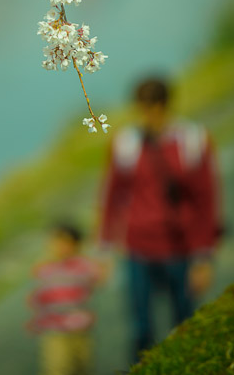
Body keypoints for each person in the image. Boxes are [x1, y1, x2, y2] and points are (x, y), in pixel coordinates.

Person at [98, 77, 221, 361]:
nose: (149, 117)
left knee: (185, 323)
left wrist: (203, 256)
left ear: (166, 106)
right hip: (138, 248)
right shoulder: (126, 144)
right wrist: (104, 247)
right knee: (141, 328)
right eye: (143, 109)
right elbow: (112, 195)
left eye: (153, 109)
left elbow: (206, 200)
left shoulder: (193, 141)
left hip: (180, 248)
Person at [29, 222, 104, 375]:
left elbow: (99, 277)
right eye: (56, 243)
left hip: (80, 327)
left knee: (82, 366)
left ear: (77, 245)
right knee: (57, 367)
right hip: (54, 329)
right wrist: (36, 317)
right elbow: (39, 296)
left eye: (66, 243)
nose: (60, 247)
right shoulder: (46, 269)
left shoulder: (83, 266)